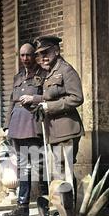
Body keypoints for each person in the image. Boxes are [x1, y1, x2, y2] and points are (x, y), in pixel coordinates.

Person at [34, 35, 84, 195]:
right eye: (40, 54)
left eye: (46, 52)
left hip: (67, 129)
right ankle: (62, 209)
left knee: (65, 170)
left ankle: (69, 211)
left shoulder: (66, 70)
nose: (43, 57)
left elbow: (77, 98)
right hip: (54, 131)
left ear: (56, 50)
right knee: (59, 171)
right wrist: (34, 101)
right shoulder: (50, 73)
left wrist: (50, 107)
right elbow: (49, 96)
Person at [2, 43, 48, 216]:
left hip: (33, 126)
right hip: (17, 126)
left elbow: (49, 97)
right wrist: (7, 126)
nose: (25, 59)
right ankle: (22, 206)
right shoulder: (18, 77)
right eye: (22, 56)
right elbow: (11, 103)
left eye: (28, 55)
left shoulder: (43, 75)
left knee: (39, 166)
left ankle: (44, 207)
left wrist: (34, 99)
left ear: (34, 56)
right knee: (22, 167)